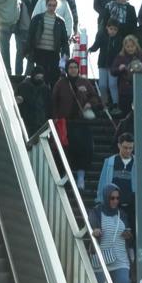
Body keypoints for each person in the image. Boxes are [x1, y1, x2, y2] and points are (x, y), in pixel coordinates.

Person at [51, 60, 98, 190]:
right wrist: (55, 117)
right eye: (70, 67)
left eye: (75, 67)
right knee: (67, 149)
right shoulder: (61, 83)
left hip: (82, 122)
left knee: (84, 149)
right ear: (67, 69)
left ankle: (81, 176)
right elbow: (54, 101)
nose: (73, 69)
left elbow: (94, 97)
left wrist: (90, 103)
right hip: (66, 122)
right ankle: (68, 175)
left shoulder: (84, 82)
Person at [89, 184, 132, 283]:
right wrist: (95, 231)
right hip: (101, 259)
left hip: (120, 259)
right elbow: (92, 225)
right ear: (106, 197)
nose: (115, 201)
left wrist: (128, 234)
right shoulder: (96, 212)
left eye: (117, 198)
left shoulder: (122, 214)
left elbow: (129, 230)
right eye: (112, 198)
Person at [27, 0, 70, 88]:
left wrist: (64, 58)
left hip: (53, 53)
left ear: (56, 6)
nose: (52, 7)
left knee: (54, 77)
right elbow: (30, 35)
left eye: (54, 5)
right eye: (50, 5)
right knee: (41, 77)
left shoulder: (60, 21)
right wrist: (28, 52)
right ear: (46, 5)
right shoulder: (37, 19)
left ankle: (52, 98)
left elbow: (64, 41)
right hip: (40, 51)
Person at [97, 133, 136, 228]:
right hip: (113, 205)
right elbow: (102, 183)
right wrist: (100, 200)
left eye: (130, 148)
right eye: (125, 147)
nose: (128, 151)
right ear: (119, 146)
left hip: (131, 205)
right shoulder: (110, 162)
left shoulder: (137, 163)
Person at [111, 35, 142, 114]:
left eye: (132, 46)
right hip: (126, 91)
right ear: (124, 46)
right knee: (126, 113)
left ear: (136, 45)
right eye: (127, 46)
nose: (130, 48)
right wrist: (119, 69)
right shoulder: (120, 57)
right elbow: (112, 71)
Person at [89, 19, 124, 113]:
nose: (112, 31)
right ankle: (105, 104)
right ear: (107, 28)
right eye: (111, 28)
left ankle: (116, 104)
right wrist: (90, 49)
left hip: (113, 65)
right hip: (102, 64)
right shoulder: (102, 37)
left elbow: (121, 52)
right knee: (102, 85)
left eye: (115, 29)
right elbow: (96, 46)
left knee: (112, 84)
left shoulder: (119, 39)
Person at [15, 0, 42, 75]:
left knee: (31, 54)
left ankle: (28, 75)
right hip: (20, 29)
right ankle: (18, 75)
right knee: (20, 53)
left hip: (32, 31)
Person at [15, 65, 51, 134]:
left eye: (41, 77)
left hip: (39, 122)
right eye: (38, 76)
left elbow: (48, 106)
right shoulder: (24, 86)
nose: (39, 78)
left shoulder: (45, 89)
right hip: (28, 122)